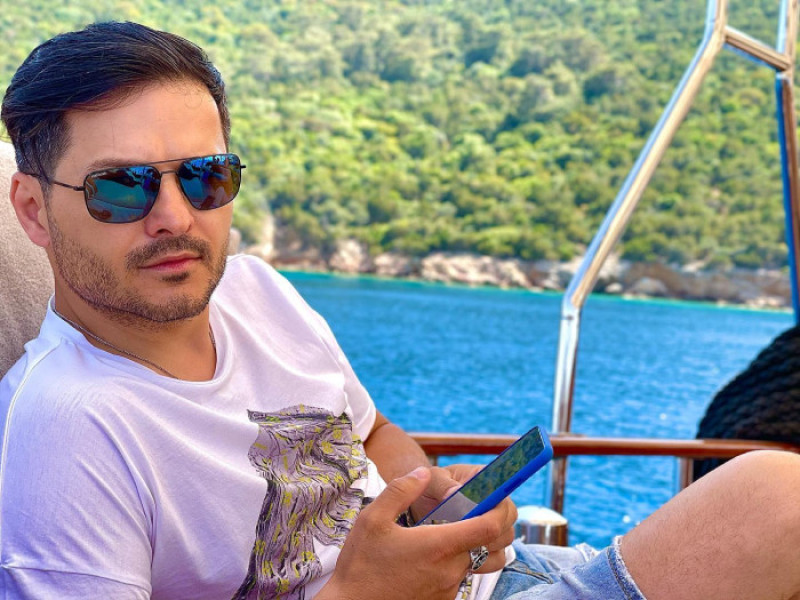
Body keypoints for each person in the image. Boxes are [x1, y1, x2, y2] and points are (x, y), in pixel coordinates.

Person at [1, 21, 800, 600]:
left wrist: (429, 499)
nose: (175, 216)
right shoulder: (65, 430)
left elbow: (372, 434)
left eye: (205, 176)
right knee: (774, 500)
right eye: (122, 187)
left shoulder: (255, 291)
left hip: (489, 580)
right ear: (33, 210)